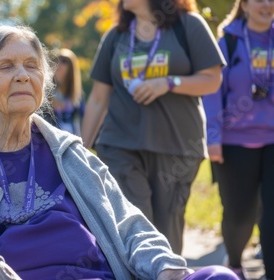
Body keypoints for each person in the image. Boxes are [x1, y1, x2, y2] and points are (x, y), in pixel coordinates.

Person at [0, 25, 239, 280]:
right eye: (6, 67)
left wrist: (164, 267)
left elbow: (128, 225)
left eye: (31, 66)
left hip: (98, 274)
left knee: (220, 276)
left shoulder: (70, 153)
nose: (22, 76)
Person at [81, 0, 225, 255]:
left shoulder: (188, 25)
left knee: (166, 232)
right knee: (132, 225)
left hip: (177, 146)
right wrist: (79, 152)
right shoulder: (116, 36)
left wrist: (169, 82)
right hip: (119, 145)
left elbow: (212, 80)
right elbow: (97, 98)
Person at [202, 0, 274, 279]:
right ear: (244, 4)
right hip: (234, 143)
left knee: (272, 214)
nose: (266, 4)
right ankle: (234, 262)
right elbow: (212, 94)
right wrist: (214, 137)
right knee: (240, 215)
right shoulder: (228, 41)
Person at [51, 48, 84, 135]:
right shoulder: (46, 93)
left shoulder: (78, 95)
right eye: (57, 60)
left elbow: (85, 118)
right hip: (52, 139)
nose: (59, 64)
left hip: (72, 139)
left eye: (64, 61)